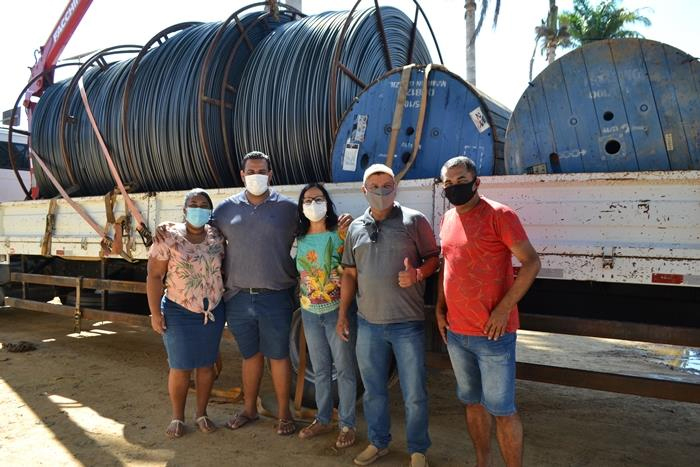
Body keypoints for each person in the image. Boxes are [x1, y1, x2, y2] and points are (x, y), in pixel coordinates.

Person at [436, 156, 541, 467]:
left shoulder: (500, 216)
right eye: (448, 184)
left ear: (476, 182)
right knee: (472, 404)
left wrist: (502, 310)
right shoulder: (447, 220)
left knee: (503, 411)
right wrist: (440, 310)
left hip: (493, 336)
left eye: (460, 181)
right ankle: (483, 462)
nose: (454, 188)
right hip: (457, 334)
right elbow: (447, 267)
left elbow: (531, 262)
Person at [337, 164, 440, 467]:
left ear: (396, 187)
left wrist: (418, 274)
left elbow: (434, 258)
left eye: (387, 185)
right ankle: (378, 442)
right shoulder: (355, 228)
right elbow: (349, 275)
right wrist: (344, 314)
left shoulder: (414, 221)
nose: (381, 191)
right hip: (368, 325)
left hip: (406, 325)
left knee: (414, 393)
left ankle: (418, 449)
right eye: (374, 185)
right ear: (363, 189)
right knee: (373, 392)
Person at [212, 151, 299, 436]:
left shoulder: (288, 209)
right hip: (238, 297)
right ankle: (249, 409)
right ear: (242, 175)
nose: (256, 176)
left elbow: (316, 230)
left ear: (270, 174)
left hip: (275, 295)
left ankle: (284, 415)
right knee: (250, 355)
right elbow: (202, 238)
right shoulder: (225, 210)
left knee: (278, 356)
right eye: (251, 171)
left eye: (261, 171)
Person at [147, 188, 226, 439]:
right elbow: (155, 276)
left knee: (206, 365)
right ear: (184, 210)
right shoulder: (168, 236)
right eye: (193, 204)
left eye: (204, 204)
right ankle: (177, 417)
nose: (199, 208)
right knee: (180, 367)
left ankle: (201, 413)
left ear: (210, 211)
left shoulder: (217, 236)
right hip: (178, 310)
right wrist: (154, 314)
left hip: (212, 311)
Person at [295, 183, 358, 448]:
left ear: (327, 203)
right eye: (307, 200)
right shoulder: (298, 239)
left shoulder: (340, 233)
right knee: (320, 369)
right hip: (310, 313)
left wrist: (343, 313)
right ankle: (322, 419)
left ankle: (347, 424)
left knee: (344, 370)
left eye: (318, 199)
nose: (312, 204)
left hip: (336, 312)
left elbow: (349, 273)